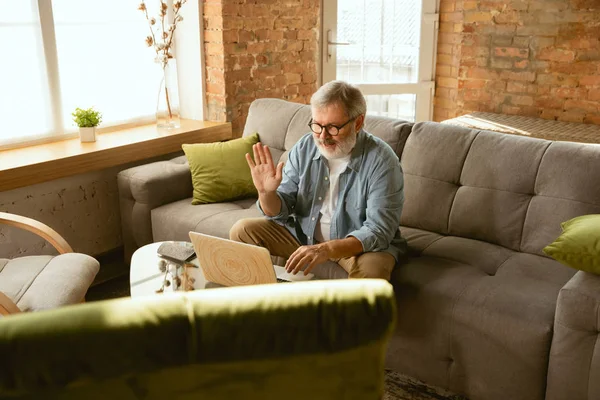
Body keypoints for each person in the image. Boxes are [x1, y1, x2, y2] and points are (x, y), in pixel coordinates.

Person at [229, 80, 406, 280]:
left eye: (332, 127)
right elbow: (281, 210)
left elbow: (379, 231)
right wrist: (265, 193)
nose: (322, 137)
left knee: (371, 278)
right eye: (317, 125)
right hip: (305, 236)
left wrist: (326, 249)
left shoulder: (382, 161)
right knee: (242, 230)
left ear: (357, 123)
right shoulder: (305, 147)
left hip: (358, 248)